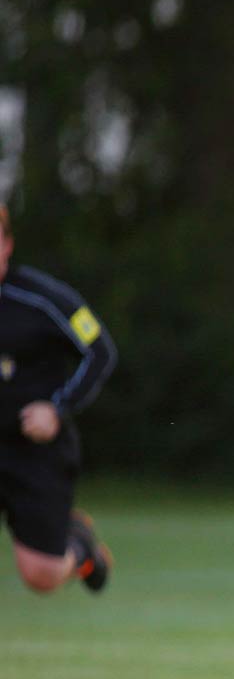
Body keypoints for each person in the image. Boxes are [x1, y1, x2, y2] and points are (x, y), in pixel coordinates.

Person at [0, 203, 116, 594]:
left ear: (7, 245)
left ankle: (81, 547)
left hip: (33, 450)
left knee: (41, 576)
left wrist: (57, 407)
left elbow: (99, 348)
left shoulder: (42, 299)